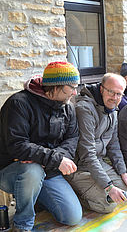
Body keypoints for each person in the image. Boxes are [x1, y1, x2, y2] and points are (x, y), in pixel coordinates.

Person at [0, 61, 82, 231]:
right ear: (55, 87)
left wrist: (51, 159)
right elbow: (17, 145)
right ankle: (23, 225)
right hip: (12, 170)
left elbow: (72, 139)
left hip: (48, 169)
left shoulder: (69, 108)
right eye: (72, 87)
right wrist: (54, 159)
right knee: (33, 171)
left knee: (72, 217)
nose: (75, 92)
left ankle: (34, 197)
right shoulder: (19, 103)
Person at [67, 73, 127, 214]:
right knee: (107, 205)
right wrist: (109, 187)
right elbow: (87, 154)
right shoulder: (84, 109)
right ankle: (73, 193)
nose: (115, 98)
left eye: (119, 94)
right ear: (101, 89)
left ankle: (95, 190)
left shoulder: (112, 110)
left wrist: (122, 171)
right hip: (79, 166)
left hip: (97, 162)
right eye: (111, 92)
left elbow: (113, 144)